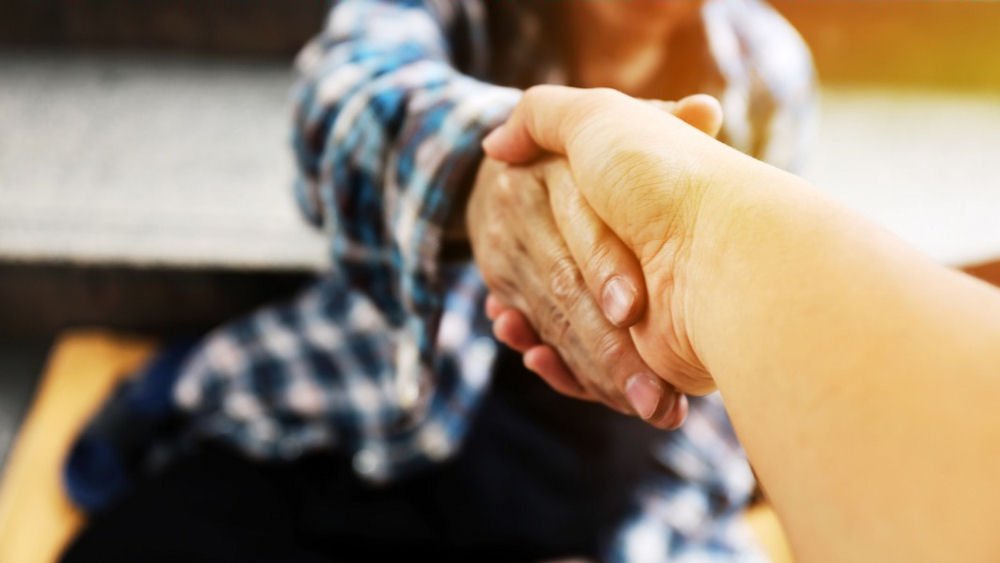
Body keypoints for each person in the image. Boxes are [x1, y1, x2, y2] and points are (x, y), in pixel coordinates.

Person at [62, 1, 815, 561]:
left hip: (581, 459)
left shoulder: (764, 70)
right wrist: (484, 171)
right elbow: (341, 98)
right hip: (366, 404)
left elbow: (728, 355)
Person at [481, 85, 1000, 561]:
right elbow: (403, 95)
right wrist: (482, 172)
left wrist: (688, 231)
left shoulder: (766, 67)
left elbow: (712, 431)